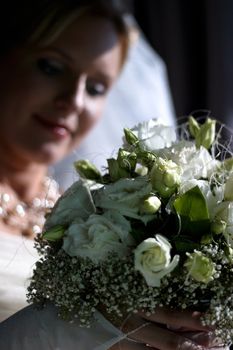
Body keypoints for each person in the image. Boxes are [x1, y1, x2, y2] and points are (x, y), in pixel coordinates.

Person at [0, 0, 224, 349]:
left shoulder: (104, 215)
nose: (74, 100)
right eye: (51, 67)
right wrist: (65, 328)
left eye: (96, 88)